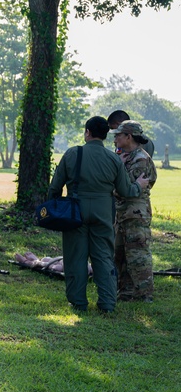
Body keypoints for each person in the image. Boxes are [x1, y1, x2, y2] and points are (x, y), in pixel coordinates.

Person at [48, 116, 148, 313]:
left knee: (76, 257)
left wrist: (55, 207)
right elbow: (126, 190)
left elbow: (54, 187)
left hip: (75, 211)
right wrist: (139, 186)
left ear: (87, 132)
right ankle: (107, 303)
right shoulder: (113, 159)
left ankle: (78, 302)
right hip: (103, 212)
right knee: (103, 257)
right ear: (104, 135)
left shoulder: (72, 154)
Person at [112, 120, 158, 302]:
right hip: (124, 213)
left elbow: (123, 188)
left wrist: (116, 174)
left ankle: (144, 294)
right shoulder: (127, 156)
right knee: (121, 253)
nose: (115, 139)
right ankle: (126, 292)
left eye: (118, 135)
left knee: (138, 254)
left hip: (136, 214)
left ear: (128, 137)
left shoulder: (141, 159)